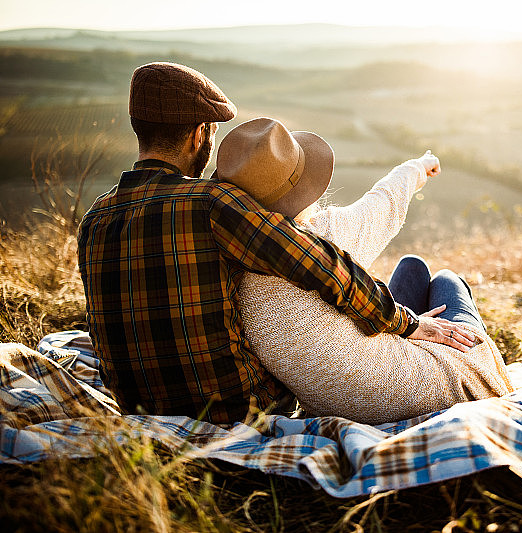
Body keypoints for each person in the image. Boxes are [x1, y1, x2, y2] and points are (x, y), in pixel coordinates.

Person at [76, 62, 472, 425]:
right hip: (238, 409)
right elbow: (321, 264)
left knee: (411, 273)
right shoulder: (210, 203)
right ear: (200, 134)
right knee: (424, 277)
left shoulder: (94, 218)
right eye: (212, 134)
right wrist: (408, 323)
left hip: (136, 407)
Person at [216, 118, 514, 424]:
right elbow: (383, 204)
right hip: (410, 392)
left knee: (412, 266)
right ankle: (476, 363)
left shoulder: (235, 268)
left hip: (333, 401)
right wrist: (418, 166)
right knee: (447, 280)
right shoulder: (318, 237)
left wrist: (410, 324)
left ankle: (419, 329)